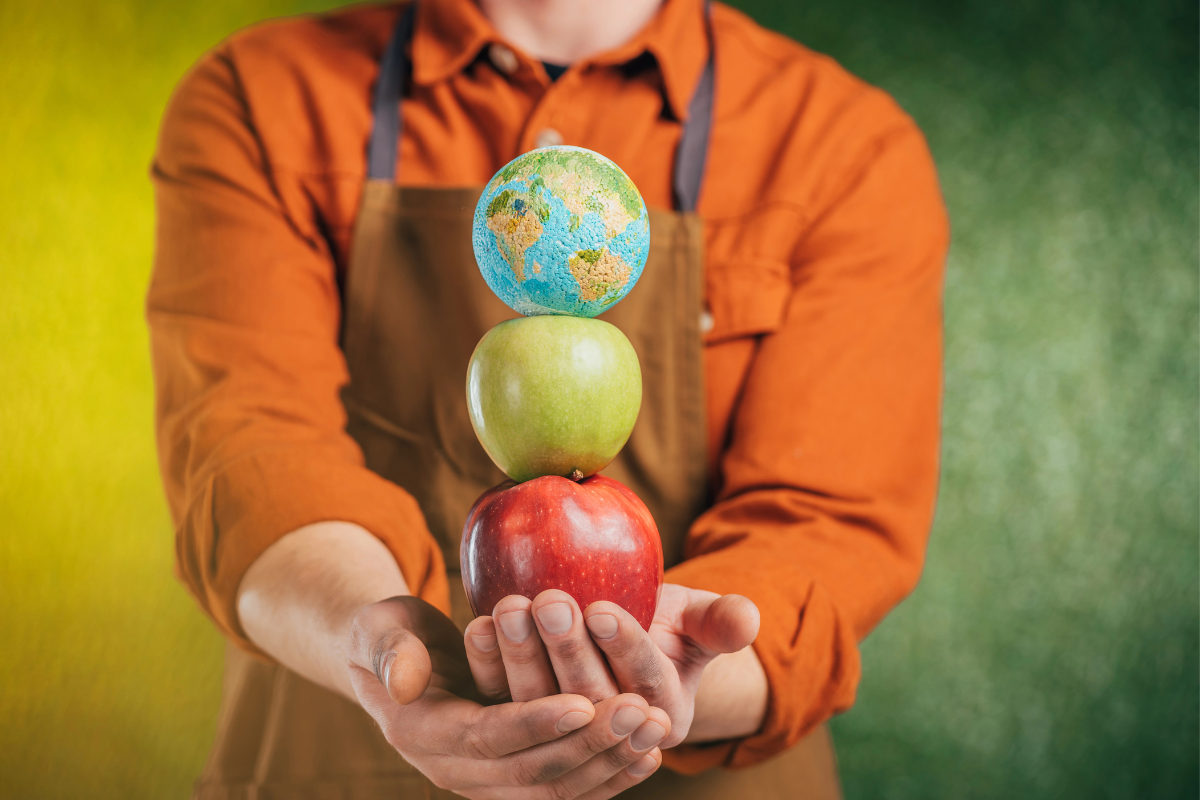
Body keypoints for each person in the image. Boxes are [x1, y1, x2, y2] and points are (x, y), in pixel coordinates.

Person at [148, 0, 948, 797]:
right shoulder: (264, 98)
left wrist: (672, 673)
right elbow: (251, 454)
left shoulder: (841, 146)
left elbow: (825, 529)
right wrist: (382, 647)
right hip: (339, 761)